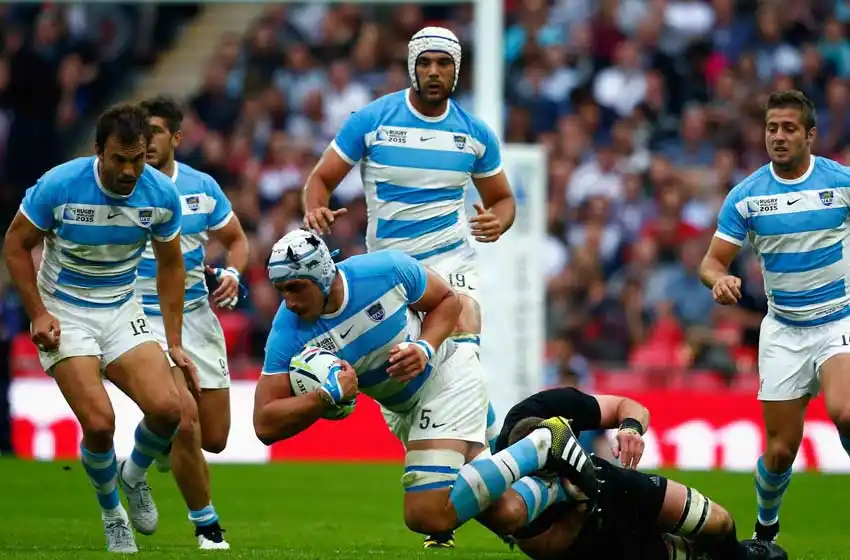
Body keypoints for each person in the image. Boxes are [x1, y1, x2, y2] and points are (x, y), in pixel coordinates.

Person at [301, 26, 516, 548]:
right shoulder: (371, 121)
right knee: (410, 385)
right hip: (392, 271)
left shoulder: (475, 134)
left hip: (452, 263)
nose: (435, 72)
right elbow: (320, 178)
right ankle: (477, 454)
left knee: (460, 331)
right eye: (427, 63)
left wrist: (498, 221)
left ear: (456, 69)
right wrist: (315, 206)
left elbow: (503, 199)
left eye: (445, 63)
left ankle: (443, 481)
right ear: (412, 67)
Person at [252, 230, 598, 541]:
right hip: (402, 410)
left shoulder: (385, 271)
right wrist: (323, 397)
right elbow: (264, 422)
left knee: (426, 513)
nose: (290, 301)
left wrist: (424, 347)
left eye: (296, 287)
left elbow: (448, 301)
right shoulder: (287, 331)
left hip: (447, 377)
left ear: (323, 275)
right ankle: (558, 488)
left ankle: (545, 441)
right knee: (509, 514)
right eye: (282, 291)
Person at [2, 103, 198, 553]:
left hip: (121, 307)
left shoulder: (160, 195)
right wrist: (37, 312)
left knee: (171, 411)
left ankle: (132, 475)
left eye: (139, 158)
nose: (130, 170)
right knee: (99, 422)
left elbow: (171, 265)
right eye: (120, 159)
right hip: (65, 312)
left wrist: (173, 340)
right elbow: (15, 244)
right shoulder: (59, 185)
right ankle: (113, 514)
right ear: (99, 152)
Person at [700, 90, 850, 545]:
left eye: (789, 128)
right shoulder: (746, 197)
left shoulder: (840, 183)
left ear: (810, 135)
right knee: (781, 450)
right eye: (772, 128)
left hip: (838, 320)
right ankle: (766, 527)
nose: (779, 137)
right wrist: (718, 281)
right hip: (783, 330)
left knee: (846, 410)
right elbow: (711, 262)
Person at [482, 387, 788, 560]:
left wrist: (630, 427)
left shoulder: (542, 406)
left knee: (719, 523)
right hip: (579, 538)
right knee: (679, 556)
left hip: (605, 481)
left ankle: (738, 555)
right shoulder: (508, 486)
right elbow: (542, 547)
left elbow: (627, 405)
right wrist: (578, 507)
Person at [137, 96, 250, 550]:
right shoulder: (122, 187)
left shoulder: (203, 187)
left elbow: (236, 241)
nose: (146, 143)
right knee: (183, 420)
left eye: (157, 133)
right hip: (140, 318)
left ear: (177, 138)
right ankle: (208, 527)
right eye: (141, 134)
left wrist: (233, 273)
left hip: (198, 316)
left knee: (215, 438)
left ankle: (154, 448)